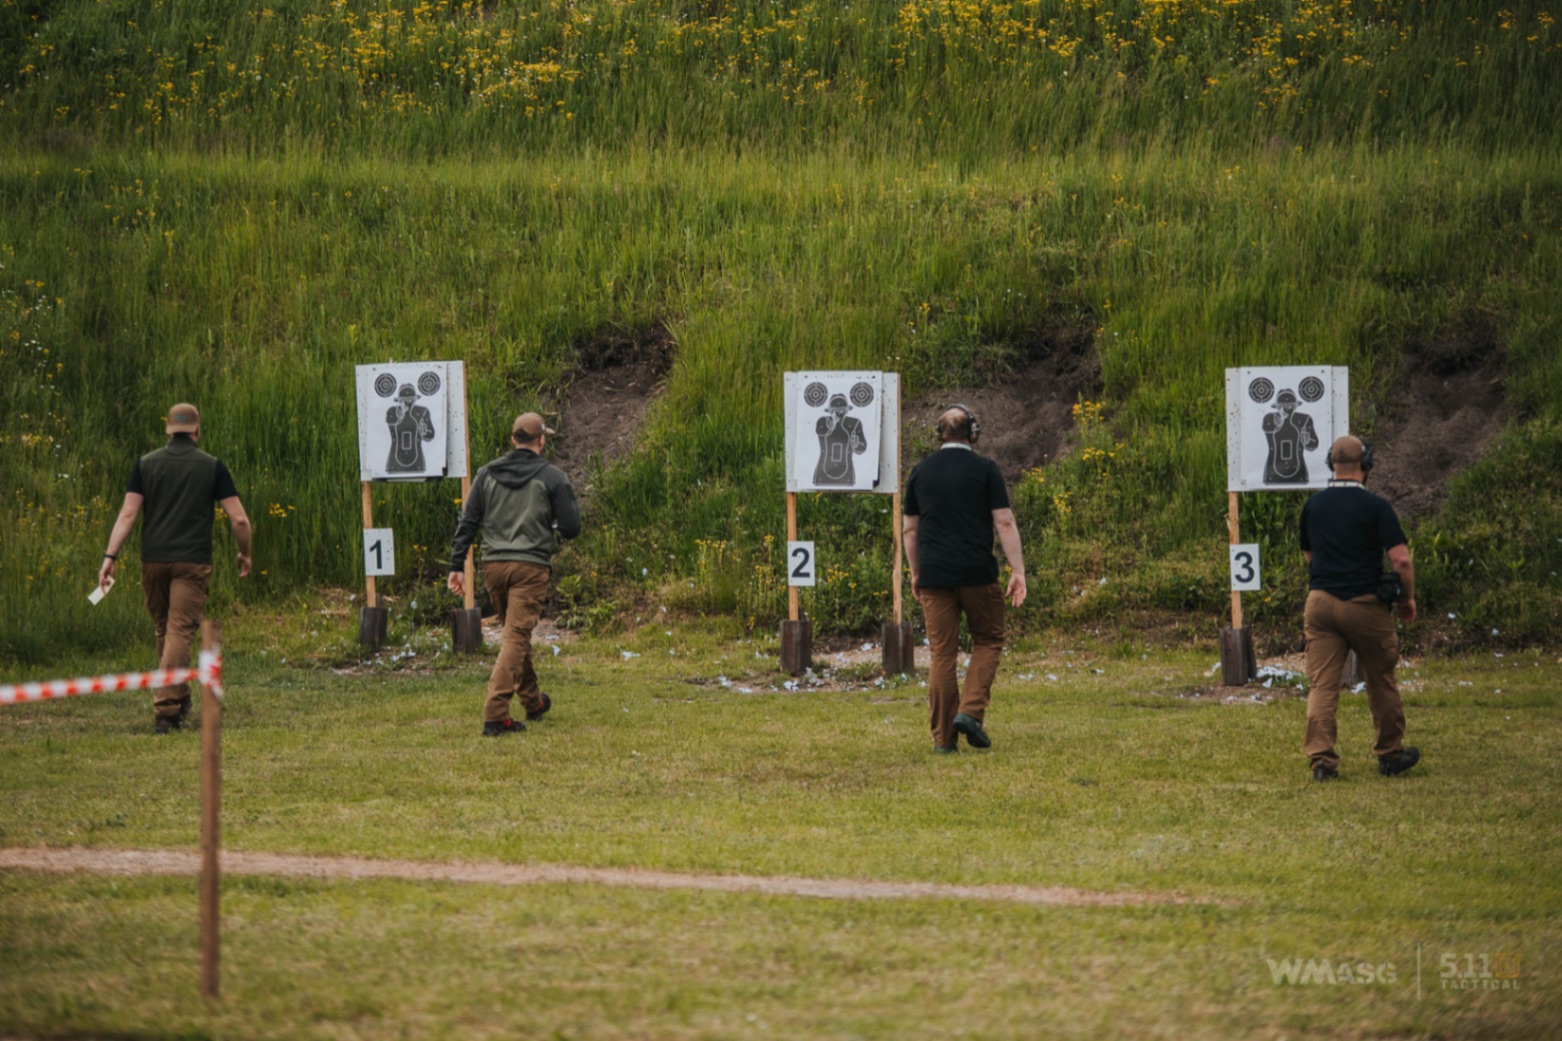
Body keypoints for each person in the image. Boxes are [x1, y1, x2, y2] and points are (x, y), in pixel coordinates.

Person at [98, 403, 252, 733]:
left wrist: (110, 557)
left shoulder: (145, 464)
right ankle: (167, 710)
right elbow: (238, 518)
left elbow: (128, 515)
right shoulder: (212, 467)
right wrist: (245, 552)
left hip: (152, 560)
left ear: (168, 431)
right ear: (197, 430)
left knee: (163, 628)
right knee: (180, 630)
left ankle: (178, 697)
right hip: (191, 561)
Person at [902, 405, 1027, 753]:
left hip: (934, 576)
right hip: (976, 573)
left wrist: (916, 572)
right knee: (988, 639)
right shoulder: (985, 469)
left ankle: (943, 741)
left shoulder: (920, 471)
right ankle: (970, 712)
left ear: (939, 434)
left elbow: (910, 530)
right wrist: (1017, 570)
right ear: (972, 433)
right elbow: (1003, 521)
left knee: (942, 654)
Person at [449, 412, 581, 736]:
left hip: (493, 567)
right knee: (516, 637)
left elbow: (468, 522)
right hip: (530, 567)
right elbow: (571, 527)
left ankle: (533, 702)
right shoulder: (552, 476)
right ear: (541, 441)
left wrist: (456, 566)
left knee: (515, 636)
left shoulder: (486, 473)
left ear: (512, 440)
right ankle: (495, 714)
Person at [1299, 435, 1419, 781]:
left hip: (1319, 603)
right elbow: (1401, 560)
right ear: (1366, 466)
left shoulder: (1313, 506)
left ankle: (1322, 761)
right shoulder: (1376, 507)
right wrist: (1406, 599)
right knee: (1380, 680)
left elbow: (1309, 557)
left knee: (1322, 685)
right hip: (1364, 604)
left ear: (1330, 464)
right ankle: (1390, 755)